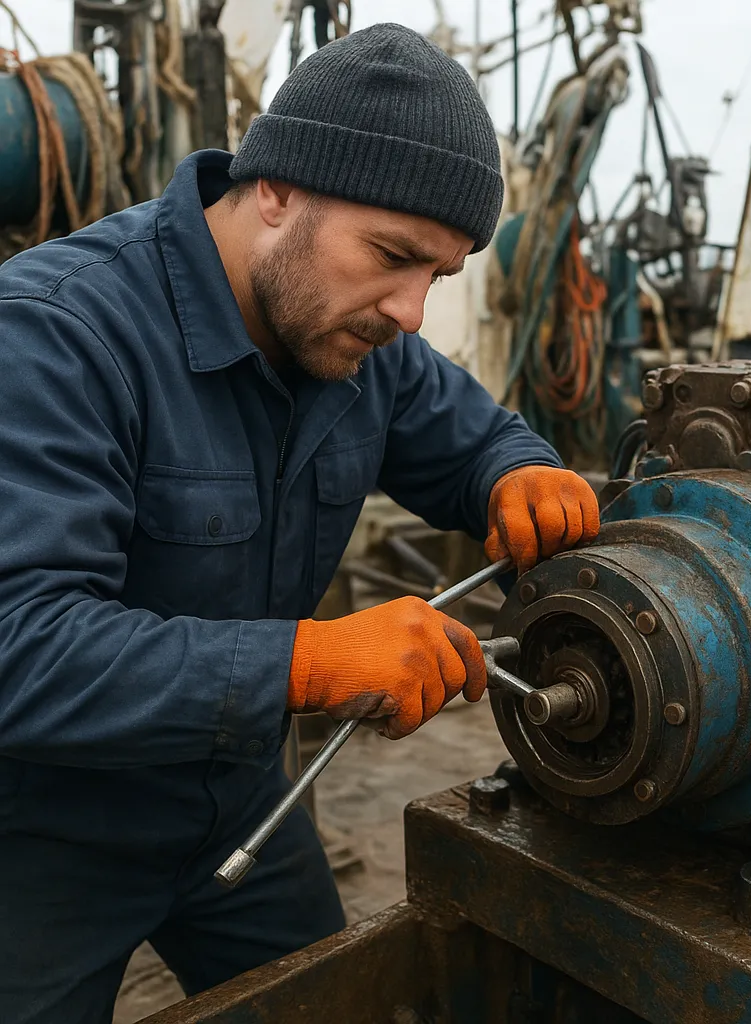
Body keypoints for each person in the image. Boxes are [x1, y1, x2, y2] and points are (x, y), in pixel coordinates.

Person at [0, 23, 598, 1023]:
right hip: (45, 826)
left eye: (438, 279)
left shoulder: (358, 337)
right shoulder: (53, 338)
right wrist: (311, 665)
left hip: (240, 799)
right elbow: (20, 647)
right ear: (275, 190)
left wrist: (520, 471)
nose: (410, 311)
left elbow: (469, 436)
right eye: (394, 256)